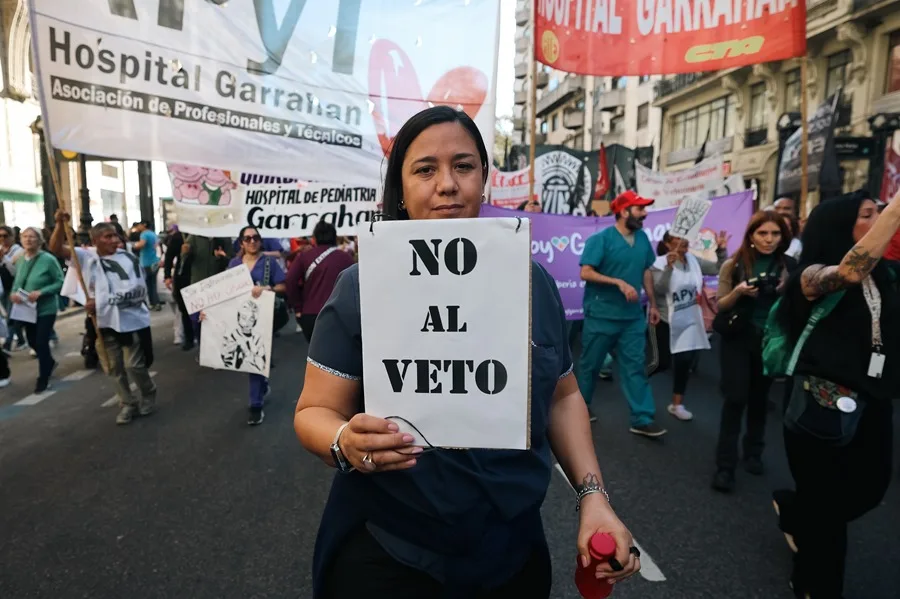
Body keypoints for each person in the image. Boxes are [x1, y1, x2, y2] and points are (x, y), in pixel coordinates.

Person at [293, 106, 641, 598]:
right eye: (425, 169)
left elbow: (563, 397)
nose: (447, 185)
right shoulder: (360, 286)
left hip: (510, 551)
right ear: (401, 188)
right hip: (389, 550)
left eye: (463, 166)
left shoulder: (533, 283)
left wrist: (593, 497)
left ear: (483, 178)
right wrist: (343, 440)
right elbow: (313, 410)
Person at [771, 191, 900, 598]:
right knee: (827, 511)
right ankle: (814, 585)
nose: (878, 220)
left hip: (874, 398)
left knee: (870, 489)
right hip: (821, 399)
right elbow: (848, 272)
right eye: (868, 214)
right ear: (840, 225)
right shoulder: (810, 277)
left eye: (880, 213)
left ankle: (797, 513)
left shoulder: (887, 275)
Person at [712, 211, 794, 492]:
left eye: (775, 234)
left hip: (770, 340)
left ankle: (754, 452)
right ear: (751, 235)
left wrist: (787, 289)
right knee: (735, 398)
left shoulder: (789, 266)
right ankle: (725, 466)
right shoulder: (734, 265)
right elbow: (721, 304)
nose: (769, 240)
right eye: (763, 233)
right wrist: (739, 292)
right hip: (738, 336)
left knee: (760, 399)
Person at [577, 190, 666, 438]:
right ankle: (579, 408)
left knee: (635, 367)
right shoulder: (601, 239)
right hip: (601, 315)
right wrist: (618, 282)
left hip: (632, 318)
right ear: (624, 212)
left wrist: (654, 305)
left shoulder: (643, 239)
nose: (645, 213)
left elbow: (646, 271)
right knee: (590, 366)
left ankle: (642, 418)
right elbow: (586, 272)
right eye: (640, 209)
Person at [207, 226, 285, 426]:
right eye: (247, 238)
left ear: (260, 240)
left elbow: (283, 286)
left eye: (255, 238)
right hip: (239, 321)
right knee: (249, 360)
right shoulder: (234, 264)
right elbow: (223, 293)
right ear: (241, 242)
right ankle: (262, 386)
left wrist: (267, 288)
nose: (252, 241)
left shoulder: (268, 263)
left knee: (254, 359)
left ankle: (255, 406)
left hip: (262, 320)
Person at [651, 230, 728, 421]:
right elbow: (659, 289)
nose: (684, 242)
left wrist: (721, 250)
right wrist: (668, 268)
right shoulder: (658, 263)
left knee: (684, 362)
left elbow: (717, 268)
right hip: (665, 320)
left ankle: (677, 404)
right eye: (678, 239)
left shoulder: (693, 260)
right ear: (668, 243)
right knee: (662, 363)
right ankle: (636, 384)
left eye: (685, 238)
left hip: (689, 319)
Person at [9, 227, 64, 393]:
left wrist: (42, 292)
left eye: (32, 237)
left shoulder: (48, 259)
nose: (28, 239)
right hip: (26, 309)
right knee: (32, 342)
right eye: (25, 236)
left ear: (40, 241)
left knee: (41, 342)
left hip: (45, 308)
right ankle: (49, 362)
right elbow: (18, 281)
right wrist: (13, 294)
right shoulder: (20, 259)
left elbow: (60, 282)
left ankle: (43, 379)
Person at [285, 220, 354, 343]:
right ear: (334, 237)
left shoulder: (304, 256)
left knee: (316, 352)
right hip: (340, 315)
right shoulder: (346, 258)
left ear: (314, 239)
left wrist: (298, 308)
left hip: (311, 314)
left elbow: (290, 281)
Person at [163, 224, 195, 350]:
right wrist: (167, 276)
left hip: (200, 276)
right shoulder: (178, 237)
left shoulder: (206, 235)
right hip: (183, 277)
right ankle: (189, 338)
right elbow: (169, 257)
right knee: (184, 309)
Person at [0, 225, 27, 352]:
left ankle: (7, 343)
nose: (2, 238)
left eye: (5, 236)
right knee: (13, 315)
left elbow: (16, 272)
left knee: (11, 315)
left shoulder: (18, 251)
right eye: (0, 236)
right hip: (3, 287)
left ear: (12, 237)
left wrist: (4, 259)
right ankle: (21, 340)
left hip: (14, 287)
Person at [132, 221, 161, 310]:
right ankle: (156, 302)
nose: (138, 227)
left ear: (144, 225)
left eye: (140, 225)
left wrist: (134, 246)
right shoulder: (153, 234)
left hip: (146, 262)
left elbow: (142, 244)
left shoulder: (144, 234)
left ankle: (152, 303)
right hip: (155, 261)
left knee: (147, 284)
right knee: (153, 284)